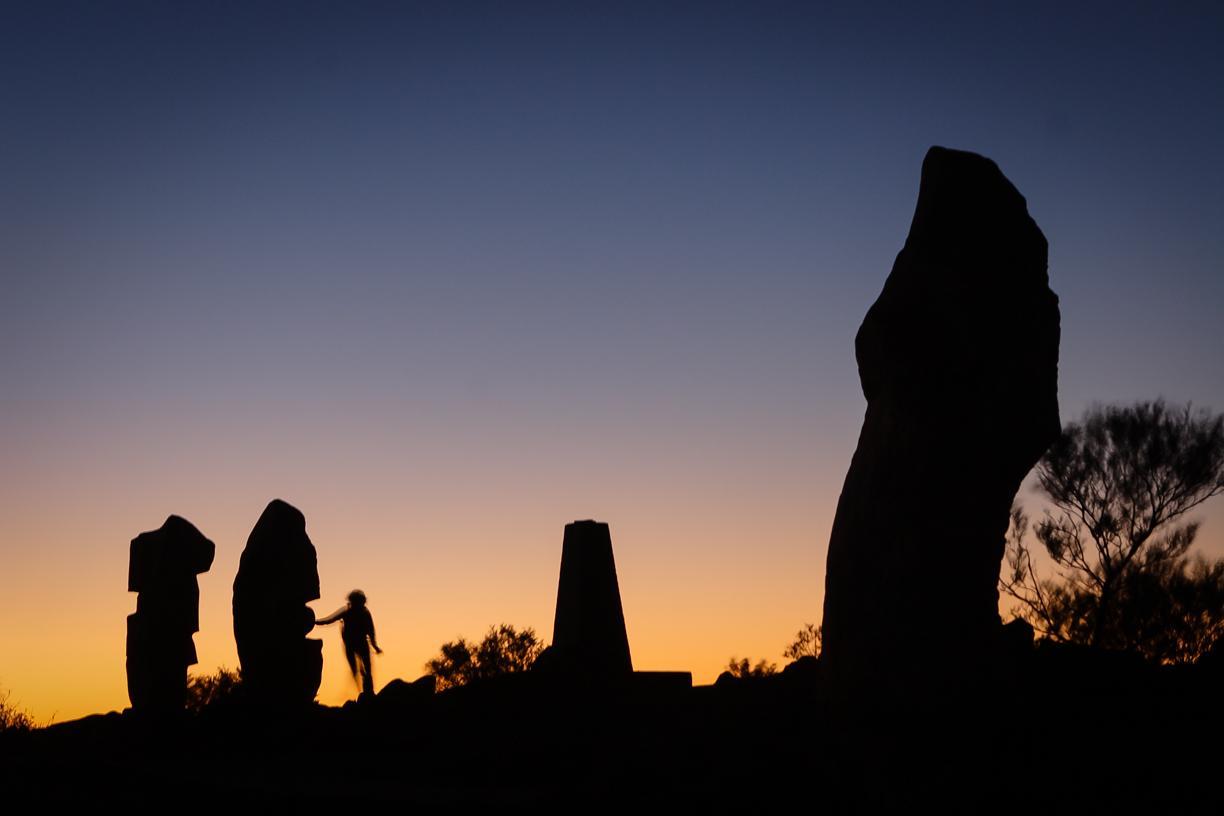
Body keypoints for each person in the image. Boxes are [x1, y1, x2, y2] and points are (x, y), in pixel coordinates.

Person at [316, 589, 383, 697]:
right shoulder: (347, 611)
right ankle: (361, 691)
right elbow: (330, 619)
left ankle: (368, 692)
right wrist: (316, 621)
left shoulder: (364, 613)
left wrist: (375, 646)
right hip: (351, 645)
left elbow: (371, 631)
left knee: (367, 670)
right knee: (356, 670)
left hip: (361, 644)